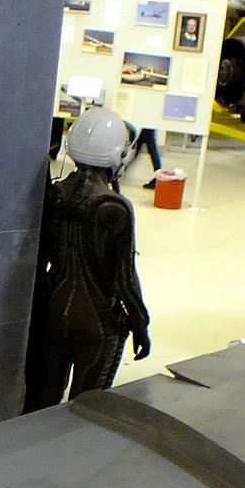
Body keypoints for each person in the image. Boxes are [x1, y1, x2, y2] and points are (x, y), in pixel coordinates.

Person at [23, 107, 151, 410]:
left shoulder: (55, 193)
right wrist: (140, 323)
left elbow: (41, 258)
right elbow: (124, 278)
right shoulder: (114, 207)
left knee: (42, 397)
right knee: (87, 408)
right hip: (98, 320)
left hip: (54, 309)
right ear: (118, 155)